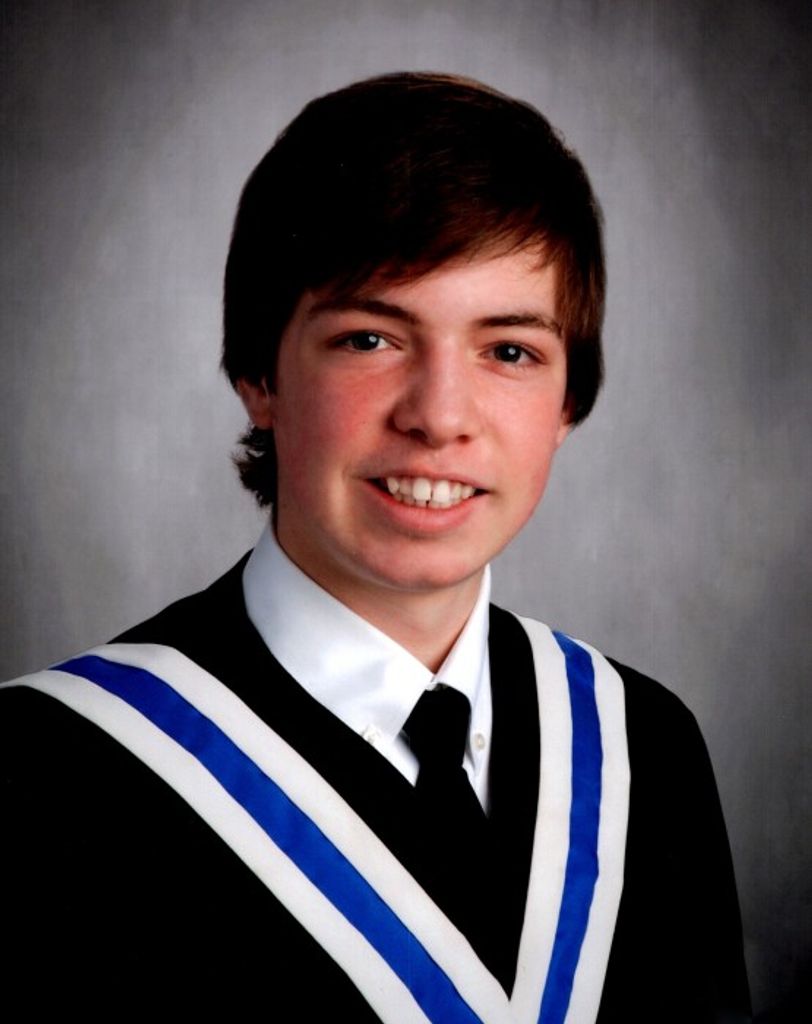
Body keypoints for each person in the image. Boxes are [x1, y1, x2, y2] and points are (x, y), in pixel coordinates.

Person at [0, 73, 750, 1022]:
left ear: (568, 403)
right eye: (370, 339)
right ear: (259, 375)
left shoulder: (645, 747)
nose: (439, 417)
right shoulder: (47, 775)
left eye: (509, 351)